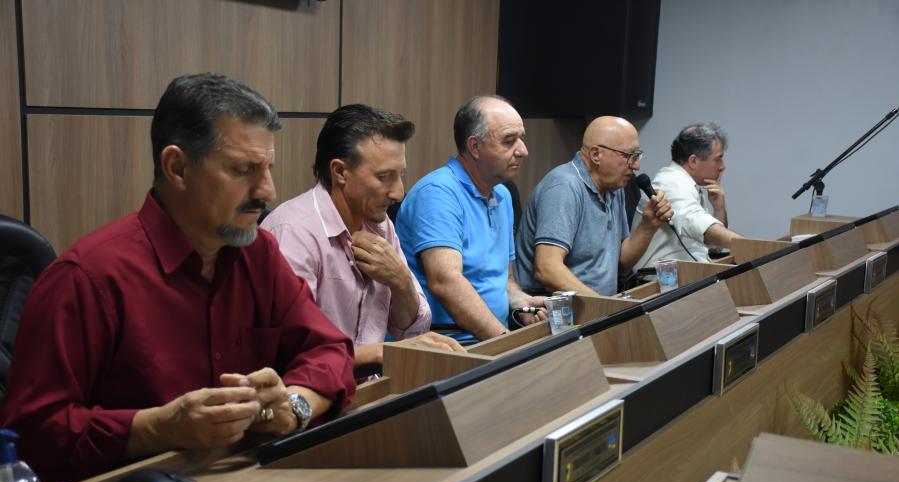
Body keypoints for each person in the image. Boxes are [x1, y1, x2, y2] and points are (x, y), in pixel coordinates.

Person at [0, 74, 356, 482]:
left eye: (267, 169)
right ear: (177, 167)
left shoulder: (258, 254)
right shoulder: (86, 278)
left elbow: (330, 350)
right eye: (243, 169)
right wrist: (155, 427)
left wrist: (293, 405)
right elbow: (32, 433)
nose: (268, 192)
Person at [261, 105, 464, 368]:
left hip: (370, 385)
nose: (398, 193)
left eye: (400, 175)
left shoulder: (380, 224)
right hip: (312, 390)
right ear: (340, 172)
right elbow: (293, 354)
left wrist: (401, 282)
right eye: (384, 177)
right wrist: (379, 353)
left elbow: (412, 331)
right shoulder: (293, 233)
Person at [395, 95, 547, 342]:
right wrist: (507, 343)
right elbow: (445, 282)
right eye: (509, 141)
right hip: (448, 345)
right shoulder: (438, 193)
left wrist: (522, 302)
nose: (523, 151)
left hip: (490, 338)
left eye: (522, 139)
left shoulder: (502, 194)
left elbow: (503, 279)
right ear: (475, 147)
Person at [515, 116, 673, 296]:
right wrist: (602, 306)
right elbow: (547, 269)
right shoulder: (564, 187)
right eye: (629, 156)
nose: (636, 165)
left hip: (595, 305)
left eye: (637, 155)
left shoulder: (614, 187)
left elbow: (621, 264)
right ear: (596, 155)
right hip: (558, 309)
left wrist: (648, 226)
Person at [633, 122, 743, 270]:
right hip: (660, 279)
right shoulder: (671, 183)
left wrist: (719, 208)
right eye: (718, 159)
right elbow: (702, 228)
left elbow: (714, 245)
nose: (722, 166)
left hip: (688, 274)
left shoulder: (688, 184)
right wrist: (751, 246)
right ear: (693, 161)